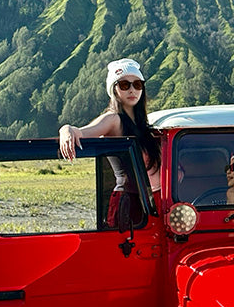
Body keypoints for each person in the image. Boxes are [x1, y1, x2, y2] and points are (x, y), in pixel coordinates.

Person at [59, 59, 161, 223]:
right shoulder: (113, 119)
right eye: (124, 85)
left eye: (137, 84)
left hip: (154, 200)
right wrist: (66, 129)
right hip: (128, 201)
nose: (132, 90)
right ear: (114, 89)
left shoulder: (145, 126)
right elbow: (83, 132)